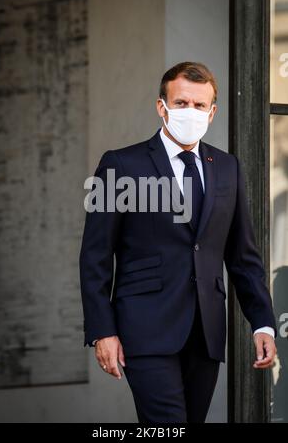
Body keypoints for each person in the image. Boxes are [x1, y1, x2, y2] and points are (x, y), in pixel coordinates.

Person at [79, 62, 277, 423]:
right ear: (162, 107)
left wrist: (262, 321)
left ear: (212, 112)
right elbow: (94, 255)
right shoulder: (121, 165)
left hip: (206, 331)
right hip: (145, 328)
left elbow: (242, 256)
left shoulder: (228, 168)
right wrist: (101, 330)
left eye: (200, 106)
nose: (191, 112)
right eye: (181, 102)